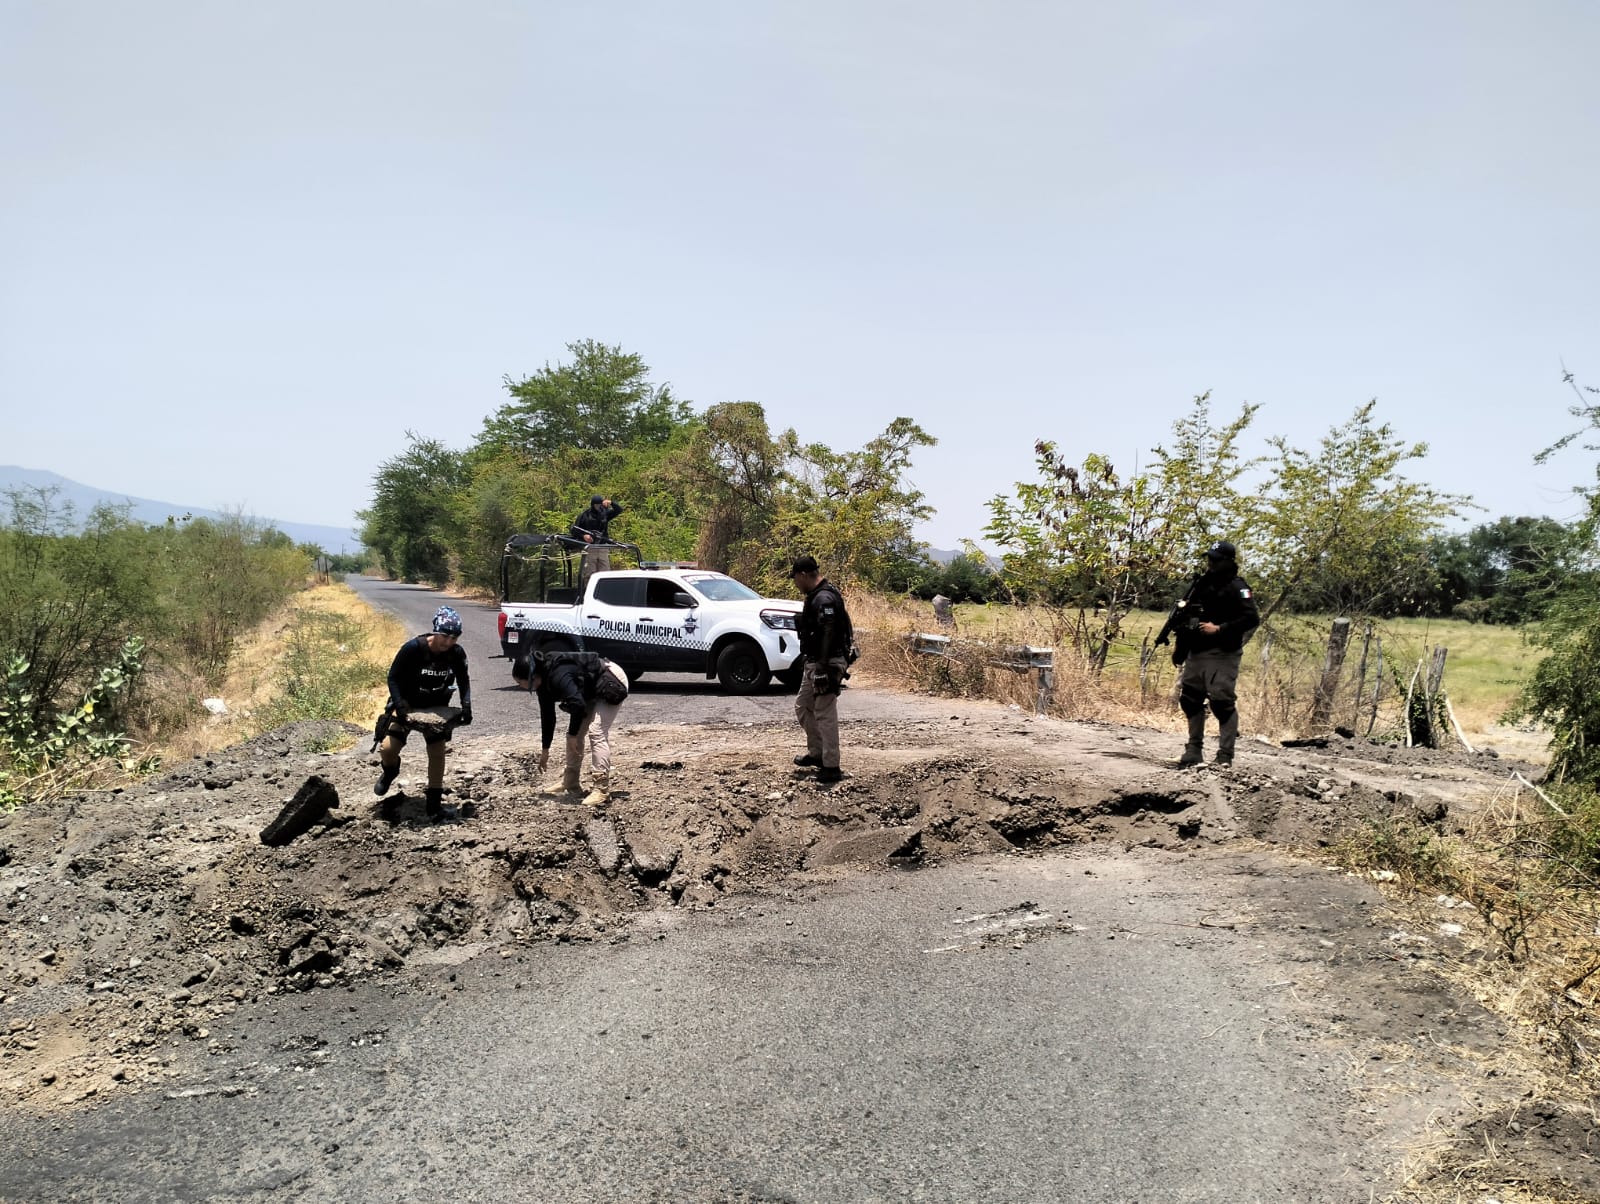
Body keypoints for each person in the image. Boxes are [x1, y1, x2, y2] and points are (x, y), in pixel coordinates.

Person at [1156, 541, 1260, 768]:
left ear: (1227, 561)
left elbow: (1252, 618)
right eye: (1209, 559)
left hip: (1222, 652)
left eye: (1215, 559)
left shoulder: (1237, 586)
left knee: (1222, 703)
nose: (1210, 563)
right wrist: (1180, 649)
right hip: (1197, 651)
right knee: (1190, 700)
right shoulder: (1201, 584)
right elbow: (1188, 616)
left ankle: (1224, 756)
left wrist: (1220, 628)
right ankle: (1193, 751)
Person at [374, 606, 474, 819]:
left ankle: (434, 805)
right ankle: (390, 771)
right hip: (409, 705)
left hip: (436, 709)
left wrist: (466, 705)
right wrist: (400, 706)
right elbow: (393, 677)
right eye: (445, 636)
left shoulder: (456, 653)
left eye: (454, 637)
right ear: (435, 631)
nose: (449, 642)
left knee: (437, 752)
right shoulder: (413, 648)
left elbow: (464, 680)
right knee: (388, 748)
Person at [512, 648, 629, 807]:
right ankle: (571, 784)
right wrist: (545, 750)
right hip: (590, 689)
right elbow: (548, 717)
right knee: (574, 735)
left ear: (532, 676)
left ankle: (601, 790)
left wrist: (573, 734)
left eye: (520, 682)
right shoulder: (543, 685)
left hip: (611, 679)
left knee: (596, 732)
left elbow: (578, 705)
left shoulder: (558, 675)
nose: (520, 686)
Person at [790, 555, 853, 784]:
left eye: (796, 578)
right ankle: (817, 753)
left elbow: (828, 630)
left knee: (825, 713)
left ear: (804, 574)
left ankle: (831, 766)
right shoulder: (818, 595)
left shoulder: (824, 597)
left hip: (826, 663)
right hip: (815, 662)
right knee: (803, 706)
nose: (795, 584)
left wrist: (823, 668)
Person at [570, 494, 624, 584]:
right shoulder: (585, 515)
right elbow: (574, 530)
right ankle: (588, 592)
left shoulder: (605, 513)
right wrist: (584, 536)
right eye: (596, 505)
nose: (598, 507)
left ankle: (605, 593)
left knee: (605, 573)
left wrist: (611, 502)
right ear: (592, 505)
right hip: (590, 548)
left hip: (602, 546)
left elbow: (619, 510)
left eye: (600, 505)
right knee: (590, 573)